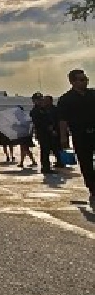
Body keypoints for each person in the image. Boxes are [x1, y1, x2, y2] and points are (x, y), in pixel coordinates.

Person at [57, 69, 95, 207]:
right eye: (81, 79)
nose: (85, 81)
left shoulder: (93, 94)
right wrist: (63, 138)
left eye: (85, 79)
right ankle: (92, 188)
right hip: (80, 134)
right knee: (86, 163)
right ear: (72, 82)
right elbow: (62, 120)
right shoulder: (66, 99)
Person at [30, 93, 59, 175]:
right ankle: (45, 167)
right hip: (43, 133)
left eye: (41, 99)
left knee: (48, 149)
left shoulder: (43, 109)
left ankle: (47, 166)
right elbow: (39, 122)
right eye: (38, 100)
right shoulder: (35, 111)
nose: (40, 101)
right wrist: (48, 127)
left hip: (48, 132)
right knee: (45, 150)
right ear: (34, 101)